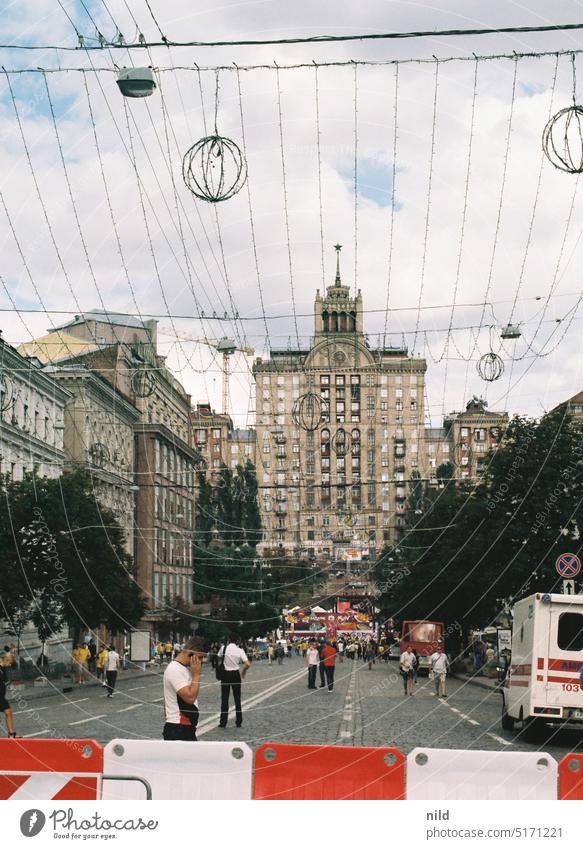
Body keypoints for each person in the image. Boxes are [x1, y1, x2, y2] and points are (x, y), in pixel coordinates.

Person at [162, 636, 205, 741]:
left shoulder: (183, 668)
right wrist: (196, 675)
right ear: (190, 650)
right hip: (179, 727)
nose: (200, 661)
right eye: (199, 657)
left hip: (185, 727)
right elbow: (190, 698)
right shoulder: (175, 669)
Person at [218, 636, 251, 729]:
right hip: (236, 675)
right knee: (237, 699)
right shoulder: (240, 650)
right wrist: (243, 670)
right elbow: (247, 664)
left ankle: (223, 722)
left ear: (228, 640)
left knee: (224, 699)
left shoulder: (223, 648)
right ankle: (238, 722)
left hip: (225, 674)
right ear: (238, 642)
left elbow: (218, 656)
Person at [0, 652, 16, 737]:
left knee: (8, 712)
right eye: (9, 662)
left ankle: (11, 734)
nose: (10, 665)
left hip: (1, 697)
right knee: (8, 712)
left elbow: (5, 680)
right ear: (6, 660)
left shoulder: (3, 668)